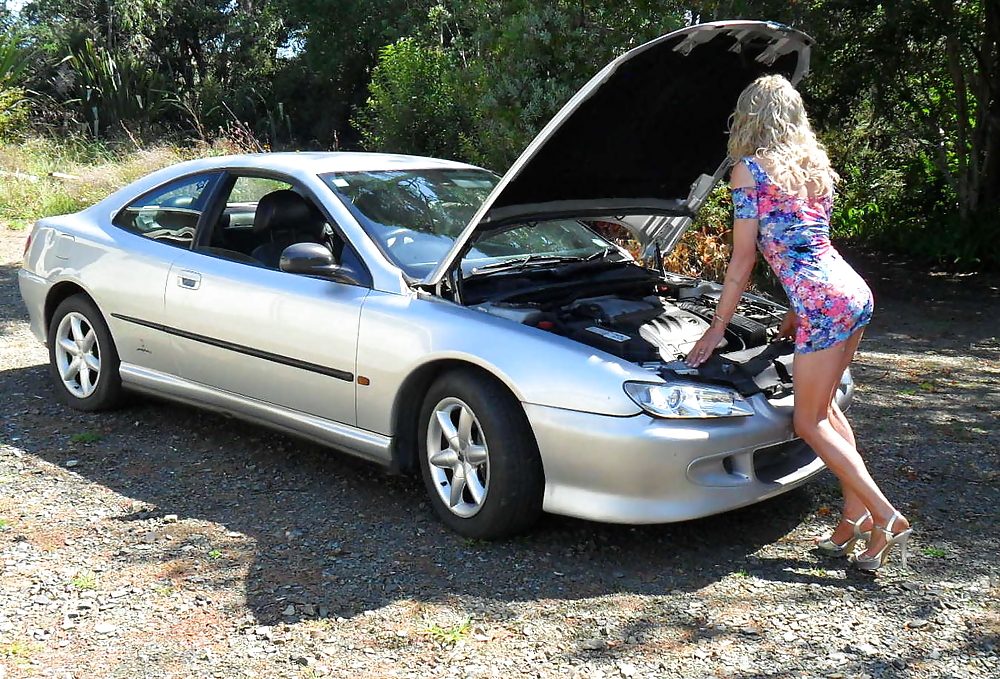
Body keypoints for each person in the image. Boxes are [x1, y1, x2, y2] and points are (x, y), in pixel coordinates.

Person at [684, 74, 911, 571]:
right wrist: (794, 309)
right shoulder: (814, 165)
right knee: (826, 409)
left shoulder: (748, 171)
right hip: (849, 292)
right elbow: (809, 243)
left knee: (807, 420)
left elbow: (743, 259)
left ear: (749, 117)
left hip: (824, 300)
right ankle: (853, 518)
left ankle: (886, 515)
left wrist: (718, 326)